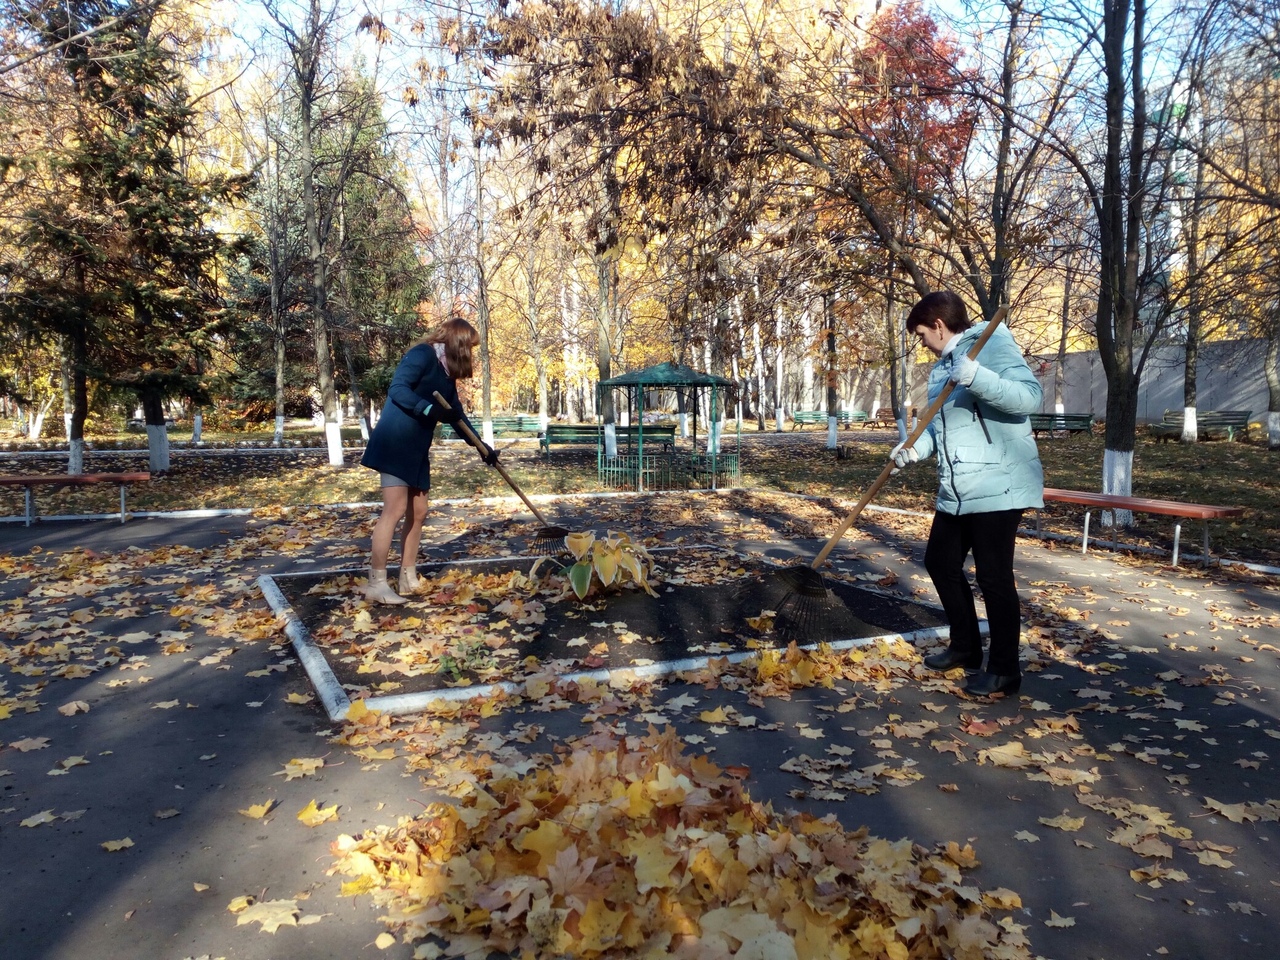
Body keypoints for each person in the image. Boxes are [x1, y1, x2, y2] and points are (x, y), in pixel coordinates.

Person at [890, 291, 1044, 696]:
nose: (922, 342)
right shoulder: (943, 367)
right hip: (958, 489)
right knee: (939, 562)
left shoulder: (992, 344)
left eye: (923, 334)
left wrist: (977, 376)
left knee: (994, 578)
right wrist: (913, 449)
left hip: (999, 483)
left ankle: (1005, 669)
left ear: (939, 326)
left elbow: (1029, 398)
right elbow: (940, 427)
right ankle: (965, 648)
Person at [359, 316, 498, 604]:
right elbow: (397, 389)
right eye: (469, 346)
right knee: (394, 510)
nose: (470, 353)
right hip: (396, 442)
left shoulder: (446, 373)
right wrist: (429, 411)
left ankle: (407, 577)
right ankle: (376, 582)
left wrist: (481, 447)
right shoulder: (422, 354)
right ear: (456, 342)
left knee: (419, 511)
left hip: (417, 449)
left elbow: (456, 414)